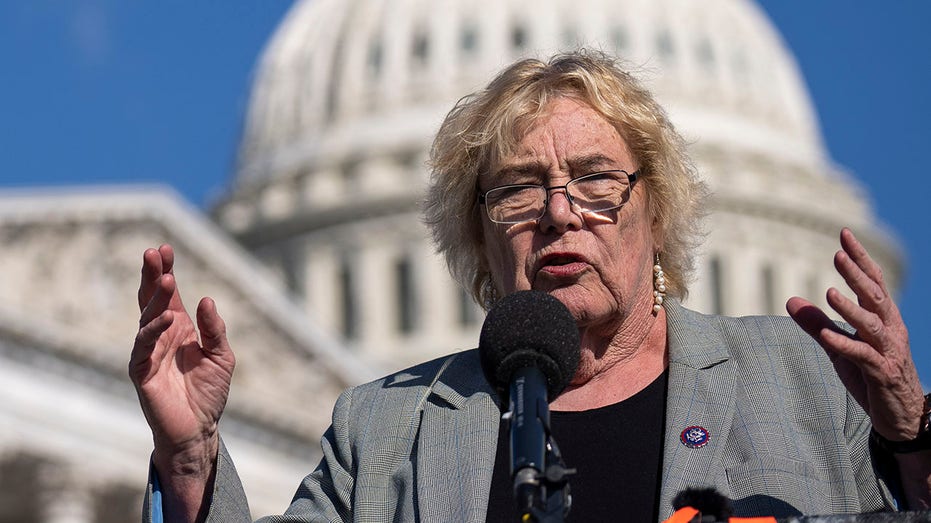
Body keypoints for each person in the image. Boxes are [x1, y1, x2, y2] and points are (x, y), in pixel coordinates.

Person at [130, 50, 931, 522]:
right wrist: (192, 455)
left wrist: (909, 434)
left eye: (593, 181)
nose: (556, 213)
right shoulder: (383, 429)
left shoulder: (798, 379)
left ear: (653, 210)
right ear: (476, 233)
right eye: (516, 189)